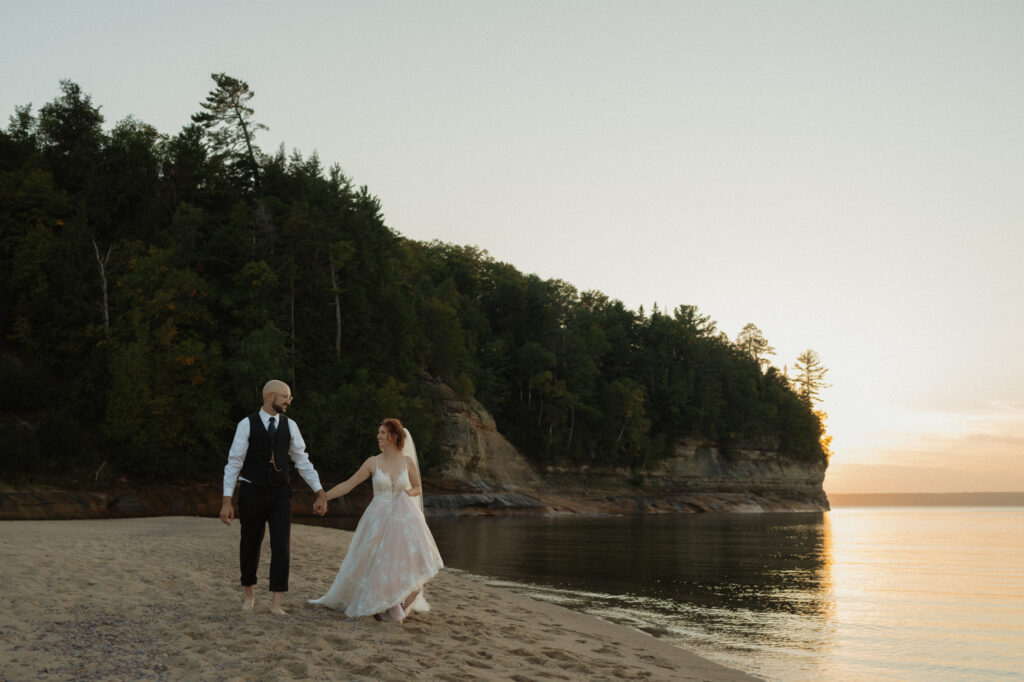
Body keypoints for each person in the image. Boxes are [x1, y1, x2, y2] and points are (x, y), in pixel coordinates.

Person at [309, 418, 443, 622]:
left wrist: (408, 492)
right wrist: (324, 496)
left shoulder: (408, 462)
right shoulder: (373, 462)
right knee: (375, 563)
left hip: (402, 519)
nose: (379, 436)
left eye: (383, 432)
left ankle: (397, 603)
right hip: (377, 518)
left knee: (402, 562)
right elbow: (348, 485)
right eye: (378, 432)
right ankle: (379, 603)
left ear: (394, 436)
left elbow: (418, 488)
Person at [220, 379, 328, 615]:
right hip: (251, 491)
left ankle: (276, 603)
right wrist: (227, 500)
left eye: (289, 397)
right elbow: (234, 463)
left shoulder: (291, 426)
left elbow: (302, 460)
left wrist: (319, 492)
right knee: (250, 543)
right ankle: (249, 593)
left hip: (280, 493)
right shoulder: (246, 425)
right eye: (285, 396)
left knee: (281, 546)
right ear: (271, 396)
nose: (289, 401)